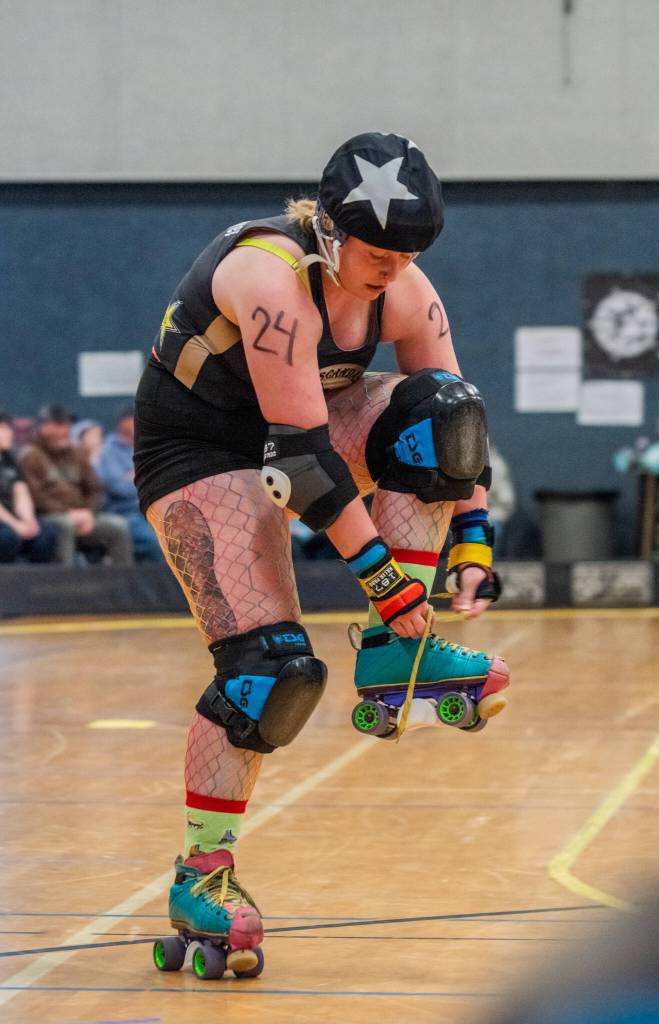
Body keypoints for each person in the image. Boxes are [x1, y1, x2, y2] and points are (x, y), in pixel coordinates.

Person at [135, 132, 509, 979]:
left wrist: (475, 541)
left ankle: (394, 658)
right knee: (271, 673)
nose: (392, 271)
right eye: (377, 254)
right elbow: (298, 465)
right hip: (200, 448)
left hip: (294, 436)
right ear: (330, 230)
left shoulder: (404, 287)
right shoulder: (268, 277)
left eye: (408, 255)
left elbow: (465, 431)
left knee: (440, 410)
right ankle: (204, 875)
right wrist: (384, 580)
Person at [19, 404, 133, 566]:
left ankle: (124, 585)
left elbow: (95, 489)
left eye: (66, 424)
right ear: (43, 427)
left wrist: (89, 512)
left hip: (83, 516)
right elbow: (34, 496)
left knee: (117, 527)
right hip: (48, 517)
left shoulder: (76, 454)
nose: (63, 430)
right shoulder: (31, 455)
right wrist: (68, 513)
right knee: (65, 525)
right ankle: (65, 585)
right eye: (58, 425)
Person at [97, 407, 163, 562]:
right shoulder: (108, 451)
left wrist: (134, 477)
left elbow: (160, 480)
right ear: (122, 423)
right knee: (155, 542)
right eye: (134, 419)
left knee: (180, 540)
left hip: (153, 509)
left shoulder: (148, 446)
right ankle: (162, 586)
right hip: (125, 512)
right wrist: (146, 477)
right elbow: (118, 488)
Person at [0, 411, 56, 564]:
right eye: (3, 429)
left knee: (45, 535)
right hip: (5, 522)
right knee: (7, 538)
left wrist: (28, 520)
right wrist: (15, 525)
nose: (9, 433)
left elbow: (21, 492)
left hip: (12, 519)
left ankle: (40, 586)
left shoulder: (8, 458)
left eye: (8, 428)